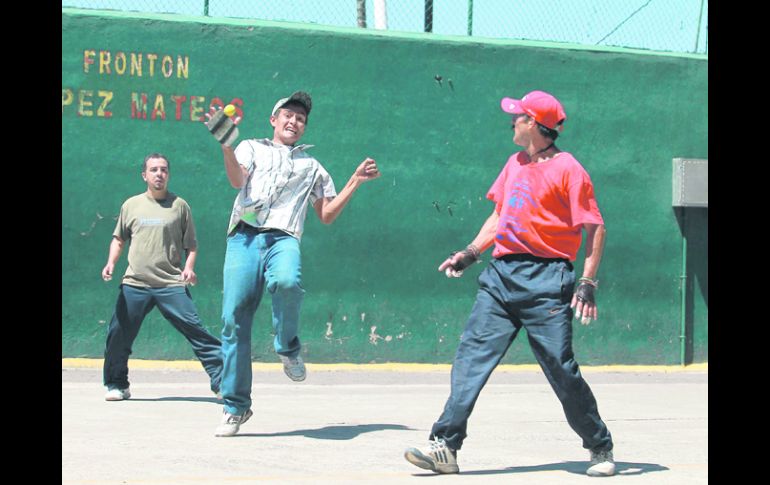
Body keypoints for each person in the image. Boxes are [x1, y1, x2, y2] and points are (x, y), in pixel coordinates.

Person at [403, 90, 615, 477]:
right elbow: (500, 215)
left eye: (517, 116)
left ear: (534, 124)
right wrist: (470, 252)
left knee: (561, 369)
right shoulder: (514, 163)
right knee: (470, 359)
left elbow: (594, 226)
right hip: (500, 278)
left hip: (548, 281)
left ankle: (599, 446)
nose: (511, 121)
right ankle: (445, 446)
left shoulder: (570, 169)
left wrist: (587, 282)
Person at [204, 91, 381, 437]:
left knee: (287, 282)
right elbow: (237, 181)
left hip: (283, 238)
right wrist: (226, 145)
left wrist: (355, 180)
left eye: (300, 119)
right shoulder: (251, 148)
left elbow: (326, 214)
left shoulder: (312, 167)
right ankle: (236, 406)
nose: (294, 122)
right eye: (288, 115)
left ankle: (287, 348)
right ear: (274, 119)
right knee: (233, 320)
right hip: (244, 237)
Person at [101, 153, 223, 401]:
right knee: (118, 334)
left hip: (171, 284)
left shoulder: (180, 206)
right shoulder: (131, 205)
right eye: (154, 170)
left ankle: (224, 384)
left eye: (163, 170)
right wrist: (111, 263)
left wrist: (188, 268)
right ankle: (117, 384)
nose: (159, 174)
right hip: (135, 283)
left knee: (197, 332)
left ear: (168, 174)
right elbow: (119, 239)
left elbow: (192, 246)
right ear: (144, 175)